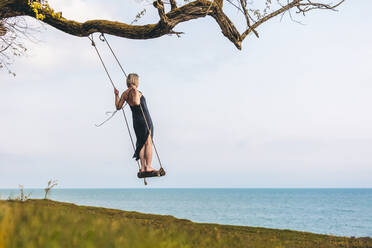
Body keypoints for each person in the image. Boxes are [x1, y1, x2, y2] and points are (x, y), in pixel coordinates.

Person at [114, 73, 156, 173]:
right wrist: (136, 91)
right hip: (144, 119)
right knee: (148, 143)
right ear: (135, 81)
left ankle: (142, 167)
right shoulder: (134, 91)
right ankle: (148, 166)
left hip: (136, 120)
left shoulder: (125, 93)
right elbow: (137, 102)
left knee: (141, 143)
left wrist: (116, 95)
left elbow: (118, 107)